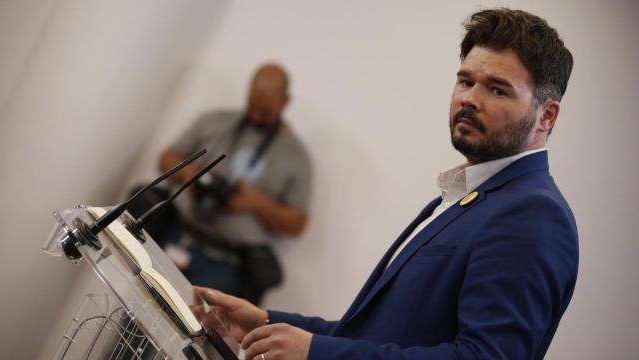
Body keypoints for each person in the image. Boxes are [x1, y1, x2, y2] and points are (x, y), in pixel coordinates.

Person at [191, 8, 579, 360]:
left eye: (497, 89)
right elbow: (375, 335)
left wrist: (317, 353)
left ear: (546, 116)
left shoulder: (534, 216)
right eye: (465, 81)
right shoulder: (461, 196)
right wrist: (263, 323)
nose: (470, 99)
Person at [157, 63, 312, 305]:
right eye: (252, 106)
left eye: (266, 112)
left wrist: (255, 203)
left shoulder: (297, 157)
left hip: (223, 264)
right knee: (132, 320)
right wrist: (192, 176)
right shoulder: (214, 121)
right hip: (174, 234)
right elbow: (166, 159)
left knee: (187, 337)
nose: (255, 116)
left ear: (286, 102)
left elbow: (298, 224)